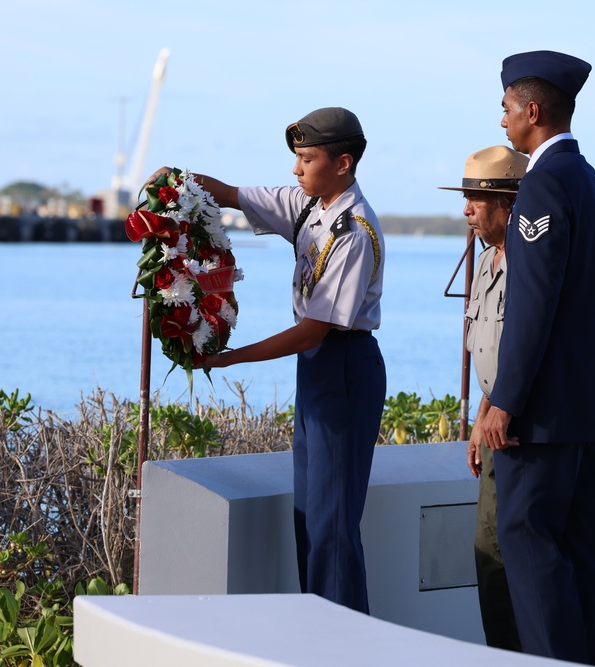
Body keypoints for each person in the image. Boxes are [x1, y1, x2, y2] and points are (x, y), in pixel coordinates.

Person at [149, 107, 386, 614]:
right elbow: (228, 193)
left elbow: (312, 330)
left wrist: (229, 359)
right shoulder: (306, 205)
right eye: (295, 159)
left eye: (307, 159)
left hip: (343, 367)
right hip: (320, 368)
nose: (296, 170)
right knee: (309, 515)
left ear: (343, 163)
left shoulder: (351, 231)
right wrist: (174, 182)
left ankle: (345, 645)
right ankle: (321, 633)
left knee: (332, 525)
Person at [479, 51, 595, 665]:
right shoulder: (592, 183)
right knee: (580, 553)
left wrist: (503, 401)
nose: (503, 119)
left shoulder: (540, 186)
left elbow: (532, 308)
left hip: (542, 416)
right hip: (586, 406)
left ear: (532, 112)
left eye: (507, 108)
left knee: (529, 546)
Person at [438, 145, 527, 651]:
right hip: (494, 425)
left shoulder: (524, 267)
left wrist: (500, 412)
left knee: (503, 556)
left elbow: (527, 349)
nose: (466, 209)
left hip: (518, 434)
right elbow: (492, 354)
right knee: (489, 559)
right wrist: (480, 416)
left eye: (476, 198)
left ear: (508, 204)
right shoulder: (490, 260)